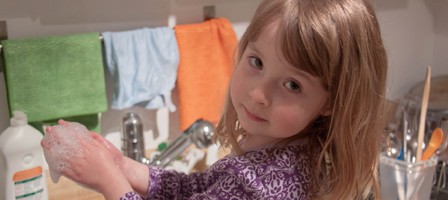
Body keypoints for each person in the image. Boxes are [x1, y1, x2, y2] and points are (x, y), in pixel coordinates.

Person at [41, 0, 388, 199]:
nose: (257, 94)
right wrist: (125, 168)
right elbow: (198, 189)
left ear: (332, 101)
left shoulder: (260, 186)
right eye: (257, 62)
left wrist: (110, 182)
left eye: (293, 85)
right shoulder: (289, 154)